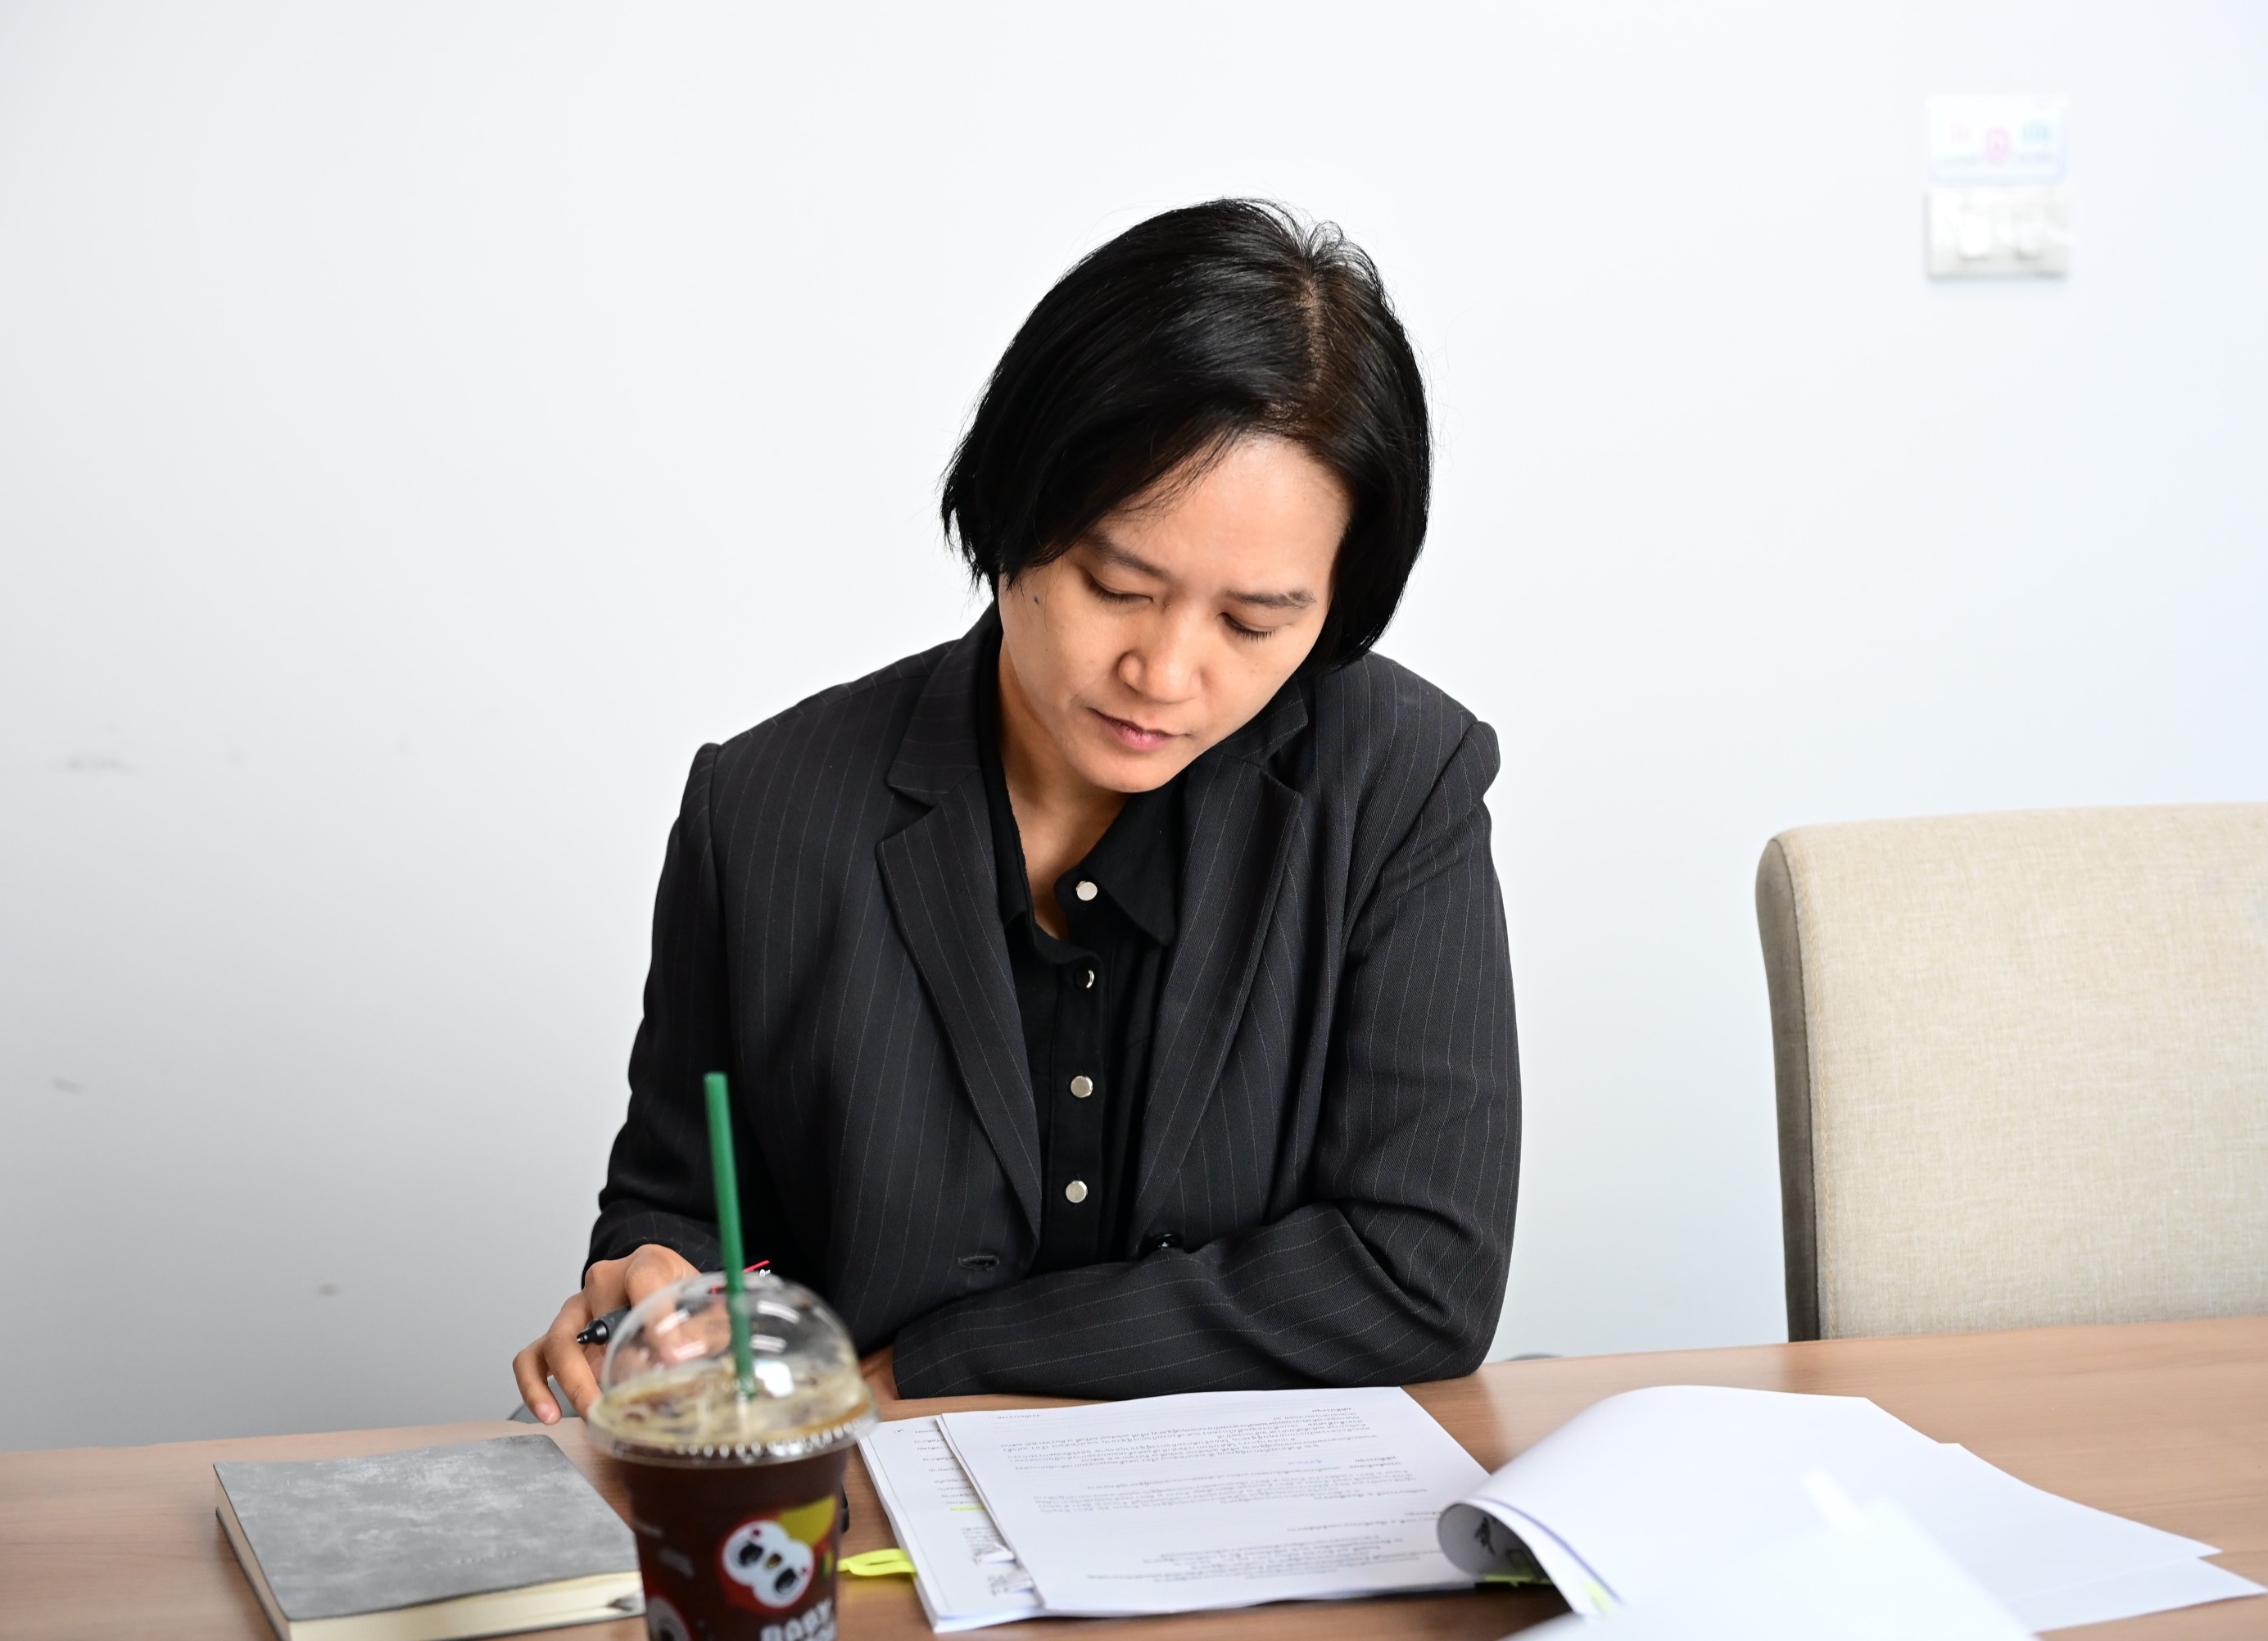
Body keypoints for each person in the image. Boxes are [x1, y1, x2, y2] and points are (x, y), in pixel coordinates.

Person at [514, 199, 1519, 1419]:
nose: (1165, 672)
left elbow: (1422, 1275)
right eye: (1117, 586)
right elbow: (686, 1206)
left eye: (1253, 621)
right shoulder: (764, 809)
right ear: (1011, 513)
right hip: (860, 1499)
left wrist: (944, 1359)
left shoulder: (1397, 784)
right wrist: (648, 1289)